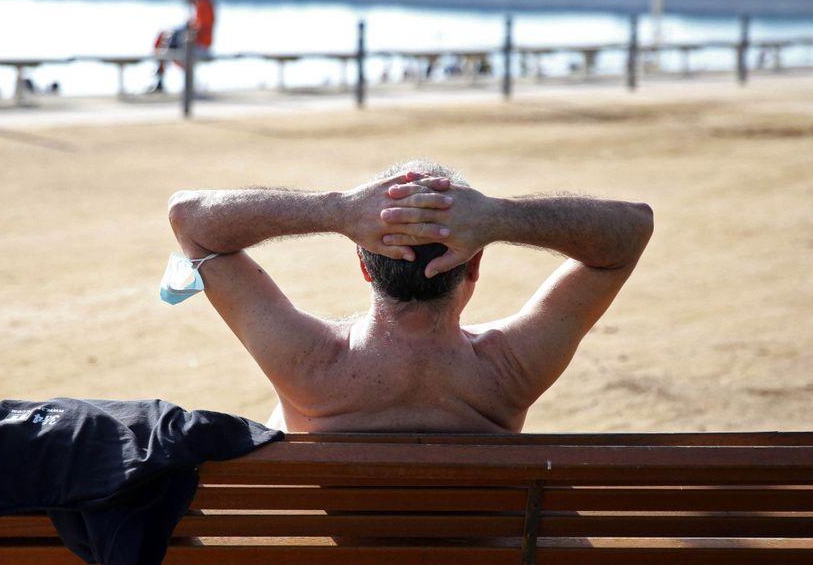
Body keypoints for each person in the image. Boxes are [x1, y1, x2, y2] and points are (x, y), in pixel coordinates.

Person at [167, 161, 653, 433]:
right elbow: (630, 233)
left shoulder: (310, 366)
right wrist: (500, 218)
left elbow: (190, 220)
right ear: (475, 264)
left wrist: (337, 210)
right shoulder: (510, 370)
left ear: (363, 264)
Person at [151, 0, 215, 93]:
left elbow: (202, 28)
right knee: (165, 40)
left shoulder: (204, 4)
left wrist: (189, 28)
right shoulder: (198, 5)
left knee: (169, 45)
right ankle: (161, 78)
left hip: (200, 46)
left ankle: (161, 78)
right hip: (192, 44)